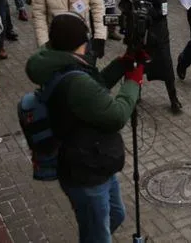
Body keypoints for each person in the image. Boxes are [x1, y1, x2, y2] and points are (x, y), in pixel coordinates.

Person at [24, 13, 143, 241]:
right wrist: (132, 82)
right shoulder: (75, 80)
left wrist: (121, 65)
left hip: (96, 160)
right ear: (80, 43)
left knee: (115, 214)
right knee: (98, 235)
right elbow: (116, 115)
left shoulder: (59, 61)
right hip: (85, 169)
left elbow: (94, 88)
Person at [123, 0, 183, 113]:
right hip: (140, 31)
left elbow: (163, 12)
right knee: (134, 63)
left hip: (156, 33)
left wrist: (147, 12)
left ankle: (173, 98)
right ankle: (134, 94)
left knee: (166, 66)